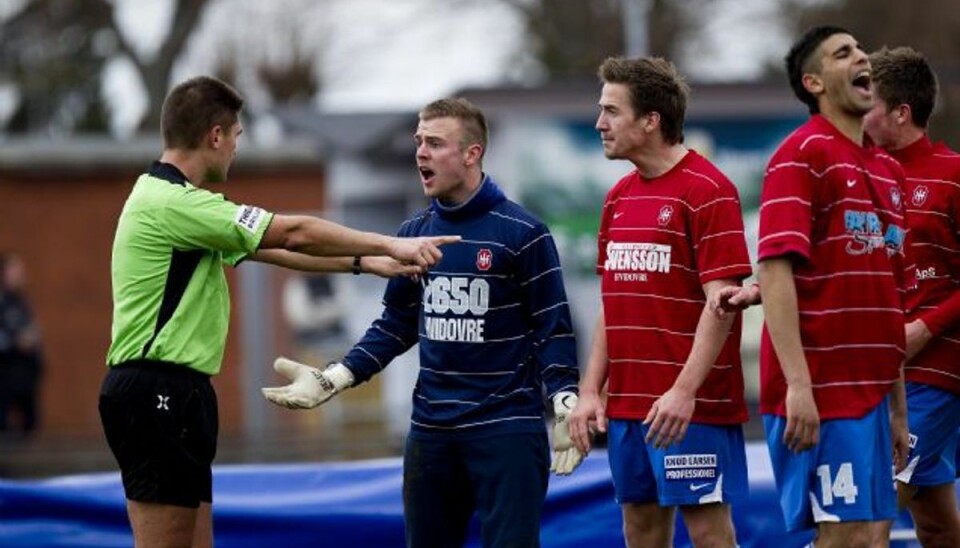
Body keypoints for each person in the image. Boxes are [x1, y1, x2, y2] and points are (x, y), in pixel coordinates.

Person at [98, 75, 458, 548]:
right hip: (153, 390)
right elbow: (291, 232)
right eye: (237, 137)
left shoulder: (188, 208)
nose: (236, 150)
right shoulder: (170, 203)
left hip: (182, 392)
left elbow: (268, 250)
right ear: (215, 136)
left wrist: (363, 262)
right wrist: (391, 242)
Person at [262, 97, 582, 548]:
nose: (420, 153)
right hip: (431, 432)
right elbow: (395, 325)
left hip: (506, 429)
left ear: (472, 154)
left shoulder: (523, 232)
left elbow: (554, 327)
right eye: (418, 142)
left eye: (435, 143)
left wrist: (567, 400)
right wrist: (335, 377)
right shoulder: (412, 234)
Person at [566, 56, 753, 548]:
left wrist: (684, 391)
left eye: (611, 111)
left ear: (651, 121)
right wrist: (590, 392)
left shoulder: (709, 190)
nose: (599, 123)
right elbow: (614, 302)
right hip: (629, 410)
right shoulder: (619, 197)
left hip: (692, 407)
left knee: (711, 535)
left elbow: (723, 306)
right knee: (641, 533)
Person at [754, 26, 911, 547]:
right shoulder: (799, 155)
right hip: (820, 393)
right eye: (844, 54)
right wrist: (799, 385)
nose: (862, 57)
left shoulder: (887, 169)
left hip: (871, 400)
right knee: (842, 538)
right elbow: (775, 272)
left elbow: (886, 301)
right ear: (814, 81)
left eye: (862, 50)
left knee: (871, 539)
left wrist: (896, 409)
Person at [863, 46, 960, 548]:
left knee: (870, 515)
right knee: (938, 522)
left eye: (869, 100)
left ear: (901, 112)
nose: (859, 110)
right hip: (878, 374)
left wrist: (926, 327)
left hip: (932, 375)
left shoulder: (952, 174)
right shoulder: (861, 175)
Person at [0, 253, 44, 437]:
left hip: (26, 380)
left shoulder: (22, 303)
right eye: (15, 270)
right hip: (5, 379)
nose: (20, 275)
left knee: (30, 427)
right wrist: (15, 341)